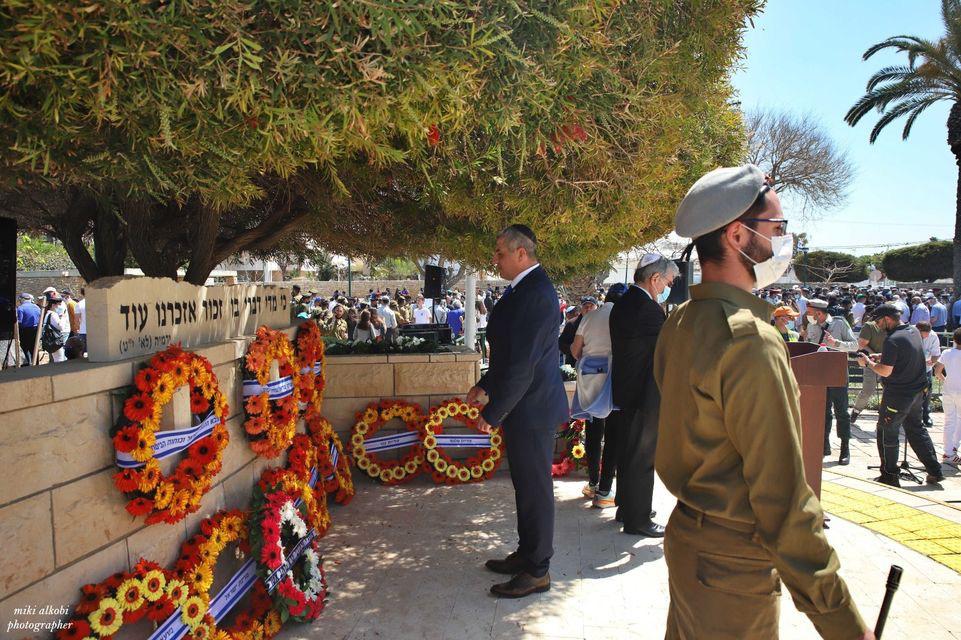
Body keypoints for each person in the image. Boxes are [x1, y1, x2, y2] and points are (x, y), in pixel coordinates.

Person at [655, 164, 871, 640]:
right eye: (776, 229)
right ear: (736, 235)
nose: (783, 241)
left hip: (692, 539)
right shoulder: (750, 338)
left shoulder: (683, 320)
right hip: (731, 564)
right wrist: (842, 623)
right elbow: (783, 499)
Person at [467, 224, 568, 599]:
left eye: (500, 253)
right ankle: (527, 554)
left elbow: (523, 366)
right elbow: (510, 356)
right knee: (525, 487)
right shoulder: (525, 289)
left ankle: (538, 569)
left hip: (533, 408)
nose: (495, 259)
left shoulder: (537, 293)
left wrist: (492, 414)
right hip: (527, 405)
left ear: (521, 254)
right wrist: (486, 386)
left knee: (535, 489)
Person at [609, 254, 677, 536]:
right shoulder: (646, 309)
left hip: (628, 392)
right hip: (644, 394)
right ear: (654, 278)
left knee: (628, 454)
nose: (666, 288)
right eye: (667, 283)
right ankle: (638, 519)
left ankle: (627, 507)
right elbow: (669, 346)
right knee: (642, 458)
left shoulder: (624, 303)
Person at [858, 304, 944, 487]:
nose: (878, 325)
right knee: (916, 430)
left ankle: (889, 475)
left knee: (886, 432)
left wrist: (867, 363)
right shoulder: (913, 331)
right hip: (917, 391)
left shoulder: (892, 340)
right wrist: (882, 355)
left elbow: (885, 371)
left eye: (879, 321)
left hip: (898, 394)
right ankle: (935, 471)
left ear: (888, 319)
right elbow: (905, 354)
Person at [570, 283, 618, 508]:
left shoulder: (590, 316)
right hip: (613, 378)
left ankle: (592, 482)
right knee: (612, 435)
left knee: (593, 431)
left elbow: (575, 350)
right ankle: (605, 491)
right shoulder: (621, 317)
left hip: (590, 377)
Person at [805, 298, 858, 465]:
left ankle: (844, 448)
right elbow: (809, 346)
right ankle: (823, 446)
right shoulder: (811, 326)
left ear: (819, 312)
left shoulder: (840, 323)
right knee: (823, 411)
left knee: (841, 411)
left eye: (810, 312)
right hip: (819, 373)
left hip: (837, 372)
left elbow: (855, 345)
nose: (808, 315)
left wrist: (836, 343)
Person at [851, 317, 888, 424]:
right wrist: (873, 355)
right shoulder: (869, 326)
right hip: (871, 362)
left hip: (888, 363)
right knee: (868, 390)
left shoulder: (893, 327)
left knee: (889, 390)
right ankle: (856, 411)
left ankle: (885, 413)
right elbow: (861, 344)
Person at [934, 328, 961, 464]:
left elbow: (937, 371)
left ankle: (948, 451)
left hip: (949, 389)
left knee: (949, 420)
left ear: (954, 340)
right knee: (959, 419)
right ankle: (954, 446)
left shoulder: (947, 352)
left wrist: (945, 380)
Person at [917, 322, 941, 427]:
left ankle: (926, 415)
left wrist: (932, 361)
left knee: (927, 391)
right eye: (923, 335)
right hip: (911, 369)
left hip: (926, 368)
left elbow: (936, 354)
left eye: (927, 334)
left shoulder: (933, 336)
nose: (925, 337)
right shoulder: (909, 333)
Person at [41, 292, 67, 363]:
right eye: (59, 304)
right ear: (53, 305)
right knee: (59, 359)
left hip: (51, 340)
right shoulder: (53, 314)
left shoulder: (48, 314)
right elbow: (61, 327)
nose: (60, 306)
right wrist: (63, 318)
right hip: (55, 340)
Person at [16, 293, 41, 365]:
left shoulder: (21, 308)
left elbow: (19, 322)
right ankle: (36, 364)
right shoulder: (37, 307)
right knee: (34, 348)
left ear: (21, 299)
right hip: (36, 330)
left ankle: (27, 364)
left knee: (25, 348)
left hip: (25, 331)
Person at [75, 287, 87, 353]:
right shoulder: (96, 303)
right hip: (95, 332)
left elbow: (76, 320)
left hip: (83, 331)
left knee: (82, 352)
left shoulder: (79, 304)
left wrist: (77, 329)